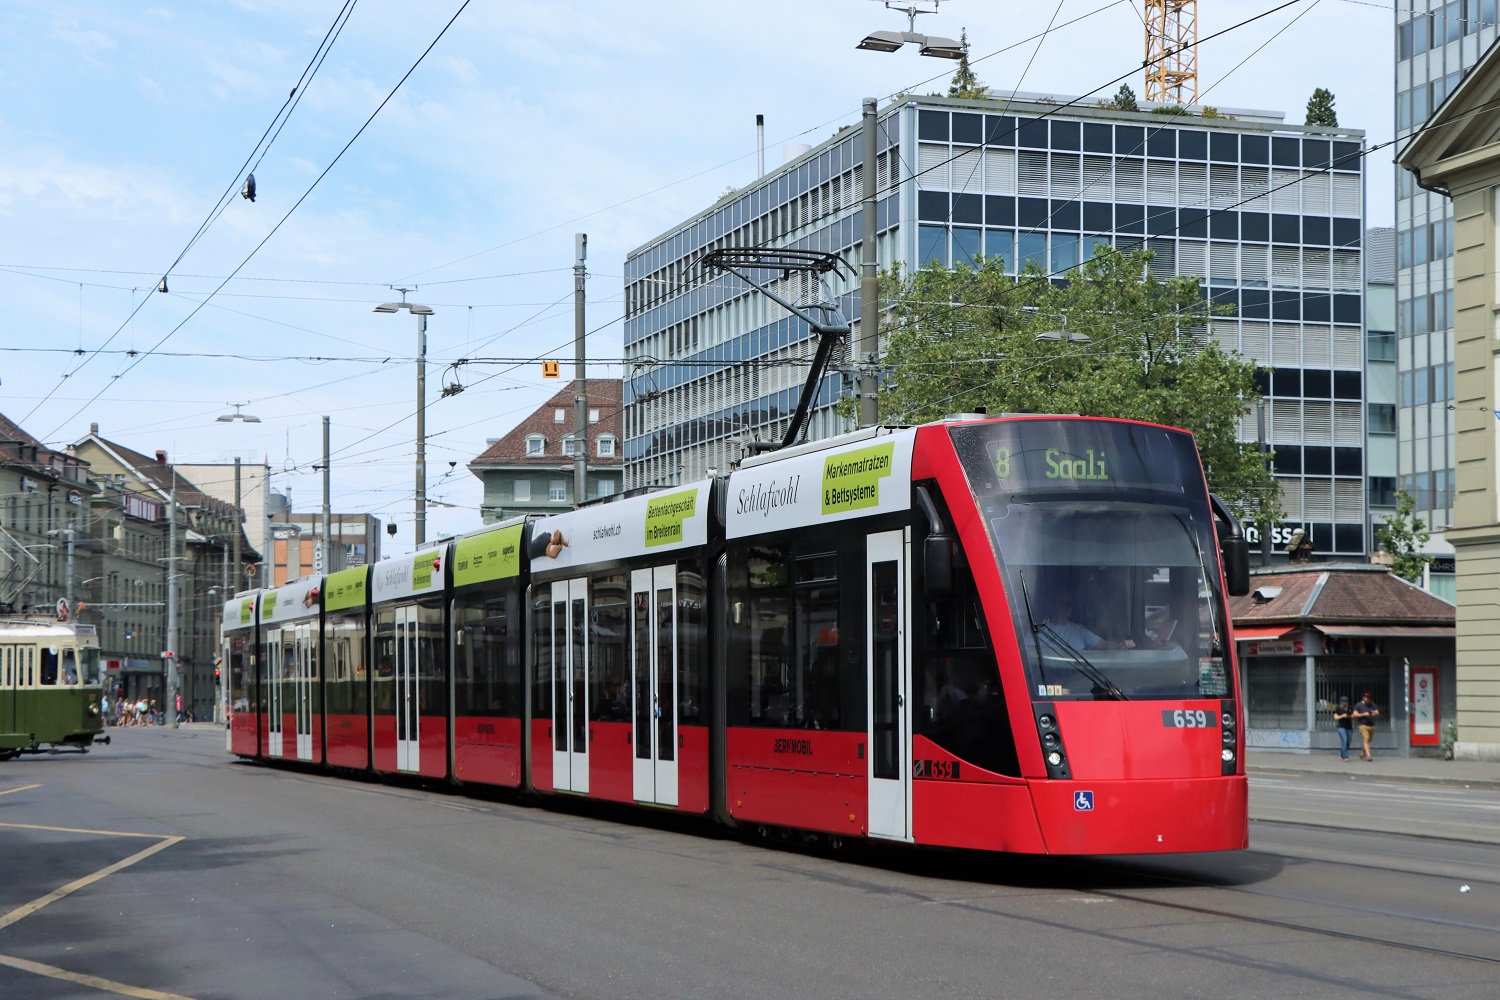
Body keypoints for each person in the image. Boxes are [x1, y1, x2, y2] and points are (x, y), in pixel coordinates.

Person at [1043, 592, 1135, 652]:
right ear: (1053, 605)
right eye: (1062, 604)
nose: (1066, 608)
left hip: (1079, 677)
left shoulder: (1079, 631)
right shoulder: (1040, 630)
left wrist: (1121, 645)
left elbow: (1104, 644)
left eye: (1069, 604)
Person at [1352, 692, 1380, 760]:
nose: (1367, 699)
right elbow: (1355, 714)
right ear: (1363, 697)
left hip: (1371, 725)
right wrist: (1363, 714)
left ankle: (1362, 753)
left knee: (1367, 741)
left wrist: (1373, 713)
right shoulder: (1359, 705)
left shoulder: (1372, 704)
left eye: (1368, 697)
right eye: (1366, 697)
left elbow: (1377, 712)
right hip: (1363, 725)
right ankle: (1368, 755)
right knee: (1366, 740)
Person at [1333, 696, 1353, 762]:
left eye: (1346, 703)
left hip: (1349, 727)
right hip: (1341, 727)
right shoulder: (1338, 708)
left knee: (1348, 742)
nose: (1344, 704)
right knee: (1344, 739)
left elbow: (1353, 714)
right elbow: (1335, 717)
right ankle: (1345, 756)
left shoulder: (1349, 708)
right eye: (1343, 703)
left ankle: (1342, 752)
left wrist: (1350, 716)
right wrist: (1342, 716)